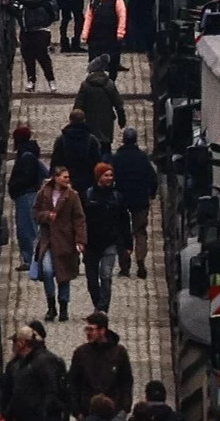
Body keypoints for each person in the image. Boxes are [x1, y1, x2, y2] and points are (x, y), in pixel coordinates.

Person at [35, 166, 87, 322]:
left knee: (64, 275)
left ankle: (63, 306)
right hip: (48, 241)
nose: (67, 179)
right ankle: (51, 305)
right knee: (47, 271)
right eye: (64, 177)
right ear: (55, 177)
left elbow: (79, 218)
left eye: (67, 177)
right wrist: (46, 216)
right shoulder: (43, 193)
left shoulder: (72, 196)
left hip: (66, 241)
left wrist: (80, 240)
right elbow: (35, 212)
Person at [81, 171, 130, 315]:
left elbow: (124, 221)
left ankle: (102, 308)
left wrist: (128, 244)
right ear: (98, 177)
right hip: (90, 243)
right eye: (106, 175)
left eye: (111, 175)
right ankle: (97, 304)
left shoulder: (117, 196)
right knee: (92, 280)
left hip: (110, 242)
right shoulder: (87, 195)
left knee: (106, 275)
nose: (109, 178)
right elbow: (80, 220)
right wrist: (80, 239)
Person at [67, 312, 133, 418]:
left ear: (102, 330)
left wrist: (124, 409)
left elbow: (126, 382)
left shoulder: (119, 352)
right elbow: (73, 383)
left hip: (114, 413)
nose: (88, 333)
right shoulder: (81, 353)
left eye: (91, 329)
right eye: (87, 329)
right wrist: (77, 412)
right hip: (87, 412)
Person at [111, 128, 155, 278]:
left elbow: (111, 178)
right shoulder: (142, 158)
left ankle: (124, 266)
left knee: (122, 232)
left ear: (123, 140)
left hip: (122, 199)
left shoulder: (117, 158)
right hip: (140, 199)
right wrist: (152, 193)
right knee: (140, 231)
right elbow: (152, 177)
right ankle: (141, 260)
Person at [5, 324, 68, 421]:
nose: (13, 345)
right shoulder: (23, 362)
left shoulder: (42, 362)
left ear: (21, 343)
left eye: (15, 341)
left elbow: (51, 393)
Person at [10, 127, 46, 272]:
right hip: (28, 193)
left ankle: (31, 260)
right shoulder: (30, 153)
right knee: (30, 228)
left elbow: (26, 176)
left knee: (26, 229)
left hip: (25, 194)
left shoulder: (26, 156)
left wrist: (15, 187)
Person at [16, 0, 57, 89]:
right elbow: (18, 12)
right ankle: (31, 80)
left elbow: (32, 1)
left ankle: (51, 79)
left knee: (42, 57)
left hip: (40, 30)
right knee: (28, 58)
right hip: (26, 31)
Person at [81, 0, 127, 74]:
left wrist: (120, 32)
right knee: (94, 59)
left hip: (111, 35)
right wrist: (85, 33)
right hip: (95, 35)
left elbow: (122, 16)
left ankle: (111, 82)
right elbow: (89, 16)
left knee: (112, 61)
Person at [75, 60, 125, 144]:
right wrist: (121, 118)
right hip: (107, 119)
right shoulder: (109, 84)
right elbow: (118, 103)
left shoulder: (85, 85)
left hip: (90, 120)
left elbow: (79, 105)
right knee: (105, 144)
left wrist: (77, 122)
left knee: (91, 144)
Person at [51, 113, 103, 187]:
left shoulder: (61, 139)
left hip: (66, 180)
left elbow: (55, 160)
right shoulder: (92, 139)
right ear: (84, 120)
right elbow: (97, 161)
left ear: (70, 120)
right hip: (87, 180)